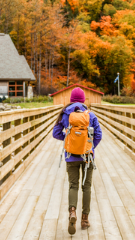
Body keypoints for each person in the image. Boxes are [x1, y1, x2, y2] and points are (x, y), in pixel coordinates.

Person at [52, 87, 102, 234]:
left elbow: (56, 133)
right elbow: (98, 134)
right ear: (83, 99)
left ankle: (72, 212)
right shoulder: (90, 115)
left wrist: (68, 141)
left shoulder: (65, 113)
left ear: (71, 99)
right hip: (87, 156)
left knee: (73, 185)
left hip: (70, 155)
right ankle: (85, 219)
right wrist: (90, 147)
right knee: (86, 187)